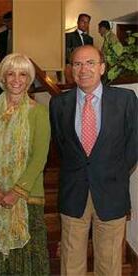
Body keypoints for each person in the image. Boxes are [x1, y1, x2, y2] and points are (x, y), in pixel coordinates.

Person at [50, 45, 138, 275]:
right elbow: (62, 146)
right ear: (71, 69)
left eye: (90, 63)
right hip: (73, 191)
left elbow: (134, 144)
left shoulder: (126, 99)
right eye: (77, 64)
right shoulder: (59, 104)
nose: (83, 69)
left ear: (102, 67)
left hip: (111, 191)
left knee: (109, 263)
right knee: (70, 263)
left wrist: (114, 171)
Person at [0, 53, 51, 275]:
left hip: (27, 198)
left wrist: (16, 192)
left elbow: (40, 157)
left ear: (29, 79)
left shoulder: (39, 112)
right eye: (10, 73)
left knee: (29, 257)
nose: (16, 79)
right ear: (2, 77)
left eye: (22, 74)